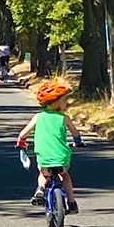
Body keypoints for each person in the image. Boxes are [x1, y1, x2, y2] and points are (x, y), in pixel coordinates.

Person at [15, 78, 81, 214]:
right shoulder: (64, 118)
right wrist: (78, 141)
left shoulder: (38, 117)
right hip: (61, 158)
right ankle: (71, 202)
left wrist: (21, 143)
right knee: (65, 176)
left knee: (43, 175)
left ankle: (40, 189)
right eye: (64, 101)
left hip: (44, 157)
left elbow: (23, 134)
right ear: (56, 104)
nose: (66, 103)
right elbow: (75, 133)